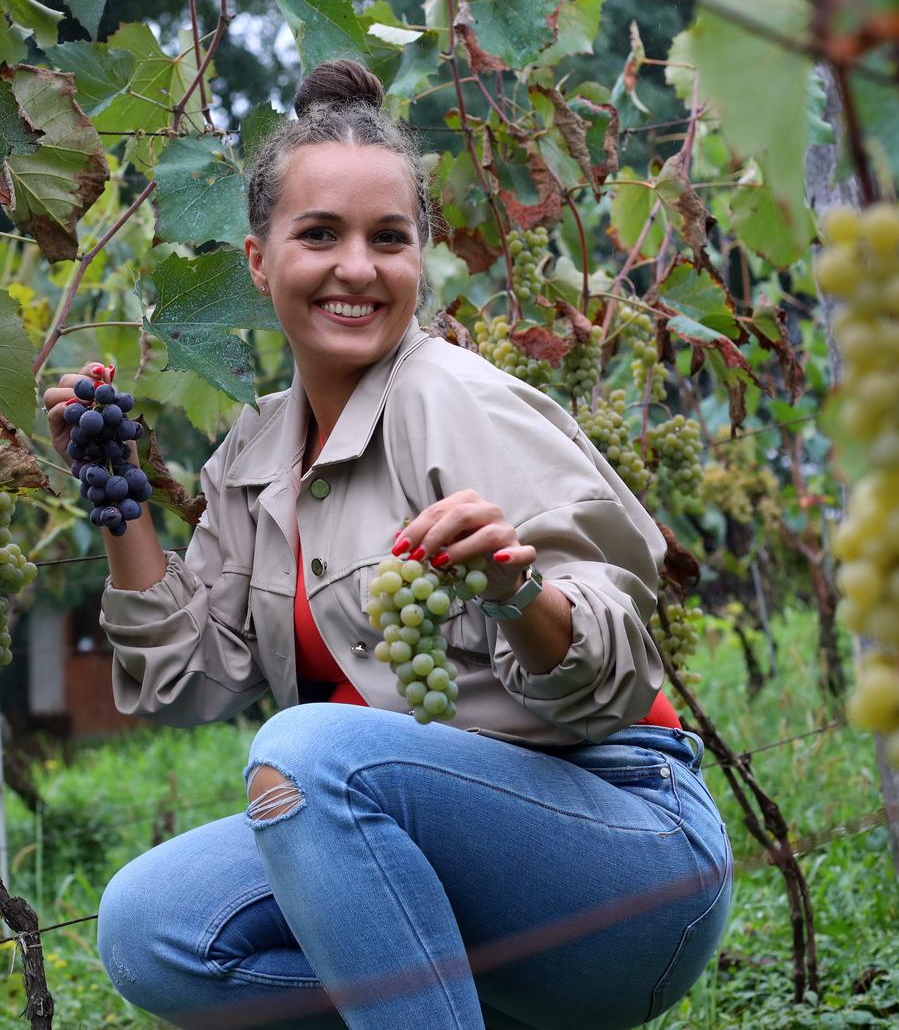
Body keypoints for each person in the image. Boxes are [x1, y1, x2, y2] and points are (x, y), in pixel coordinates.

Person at [42, 60, 731, 1030]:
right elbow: (184, 681)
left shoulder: (453, 398)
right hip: (451, 861)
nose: (356, 268)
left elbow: (620, 659)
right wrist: (117, 499)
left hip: (625, 846)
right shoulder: (256, 452)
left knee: (308, 751)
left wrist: (515, 591)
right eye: (318, 233)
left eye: (388, 239)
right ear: (257, 257)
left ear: (420, 260)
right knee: (151, 925)